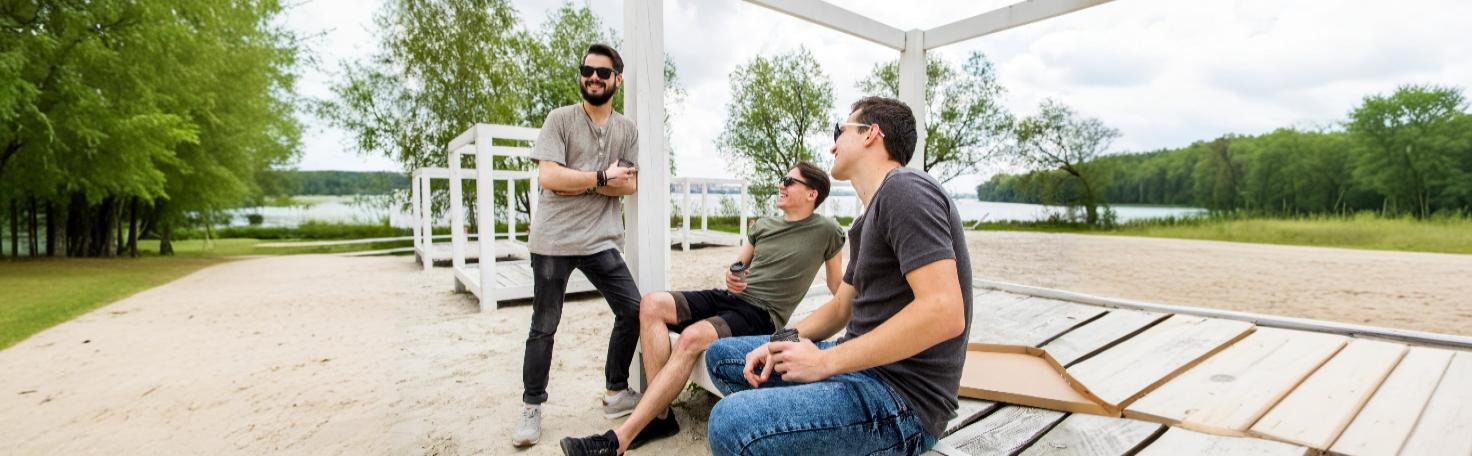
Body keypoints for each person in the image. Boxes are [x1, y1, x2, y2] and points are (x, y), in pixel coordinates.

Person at [702, 97, 973, 455]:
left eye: (839, 131)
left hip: (901, 399)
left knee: (729, 423)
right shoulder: (868, 216)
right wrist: (779, 339)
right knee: (723, 356)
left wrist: (824, 363)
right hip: (858, 365)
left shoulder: (905, 188)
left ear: (870, 134)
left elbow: (944, 311)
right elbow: (841, 308)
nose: (832, 145)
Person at [558, 162, 847, 455]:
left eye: (789, 181)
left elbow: (839, 287)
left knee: (692, 337)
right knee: (651, 304)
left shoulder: (827, 231)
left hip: (761, 313)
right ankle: (659, 416)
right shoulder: (763, 225)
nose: (780, 185)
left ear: (812, 193)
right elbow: (737, 268)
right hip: (730, 299)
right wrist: (734, 277)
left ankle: (618, 440)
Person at [513, 43, 644, 448]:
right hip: (552, 240)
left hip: (601, 240)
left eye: (602, 73)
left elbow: (632, 184)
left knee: (635, 310)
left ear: (616, 80)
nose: (593, 78)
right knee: (544, 325)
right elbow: (549, 177)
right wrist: (603, 178)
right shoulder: (560, 119)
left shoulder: (627, 130)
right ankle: (532, 407)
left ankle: (615, 390)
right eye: (587, 70)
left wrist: (583, 179)